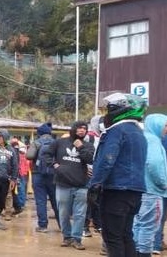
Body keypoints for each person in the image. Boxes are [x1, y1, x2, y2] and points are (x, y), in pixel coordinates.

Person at [89, 93, 147, 257]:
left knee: (112, 237)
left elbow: (107, 160)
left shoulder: (116, 131)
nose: (106, 113)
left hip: (116, 191)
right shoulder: (139, 133)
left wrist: (94, 185)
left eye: (109, 109)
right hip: (135, 192)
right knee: (126, 235)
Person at [44, 121, 94, 250]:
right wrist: (54, 165)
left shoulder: (88, 145)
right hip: (63, 184)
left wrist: (80, 147)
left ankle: (77, 239)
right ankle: (67, 237)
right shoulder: (60, 142)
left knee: (80, 214)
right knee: (63, 213)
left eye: (85, 128)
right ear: (73, 129)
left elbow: (90, 159)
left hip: (82, 185)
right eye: (79, 128)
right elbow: (46, 154)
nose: (82, 130)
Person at [133, 114, 167, 257]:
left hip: (140, 189)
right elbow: (154, 164)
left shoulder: (142, 138)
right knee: (149, 226)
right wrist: (164, 183)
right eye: (165, 125)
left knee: (138, 224)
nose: (166, 129)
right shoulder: (153, 141)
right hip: (153, 191)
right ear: (157, 125)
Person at [27, 122, 58, 233]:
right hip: (53, 174)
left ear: (39, 133)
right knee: (56, 200)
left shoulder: (37, 142)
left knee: (41, 201)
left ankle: (43, 226)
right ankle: (63, 226)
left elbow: (29, 156)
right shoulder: (56, 142)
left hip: (38, 174)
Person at [10, 137, 29, 216]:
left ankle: (20, 204)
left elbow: (16, 164)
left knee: (18, 189)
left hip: (18, 173)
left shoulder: (14, 152)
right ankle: (21, 204)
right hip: (23, 173)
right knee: (21, 188)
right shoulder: (23, 153)